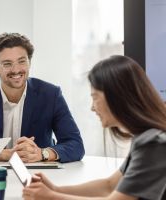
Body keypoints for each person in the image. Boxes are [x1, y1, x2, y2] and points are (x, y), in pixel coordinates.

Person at [23, 55, 166, 200]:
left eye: (95, 97)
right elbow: (109, 186)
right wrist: (55, 189)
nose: (92, 107)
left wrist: (51, 197)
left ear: (117, 96)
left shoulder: (154, 143)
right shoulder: (147, 138)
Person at [0, 33, 84, 163]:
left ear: (29, 62)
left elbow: (76, 145)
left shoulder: (50, 94)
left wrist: (42, 153)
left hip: (41, 175)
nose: (16, 70)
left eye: (21, 61)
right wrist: (8, 155)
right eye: (7, 64)